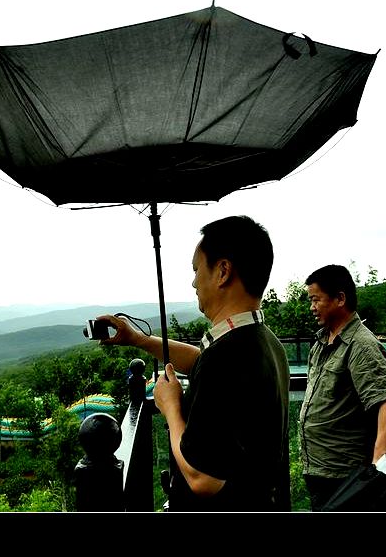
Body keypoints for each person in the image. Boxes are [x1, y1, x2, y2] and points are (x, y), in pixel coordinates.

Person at [96, 215, 290, 511]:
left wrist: (170, 406)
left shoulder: (226, 357)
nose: (194, 281)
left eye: (197, 269)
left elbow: (203, 478)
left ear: (223, 271)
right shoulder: (263, 342)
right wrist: (139, 340)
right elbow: (203, 361)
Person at [299, 264, 386, 511]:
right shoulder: (321, 342)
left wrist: (379, 468)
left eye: (316, 300)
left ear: (340, 299)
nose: (311, 307)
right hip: (320, 471)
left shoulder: (361, 345)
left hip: (346, 477)